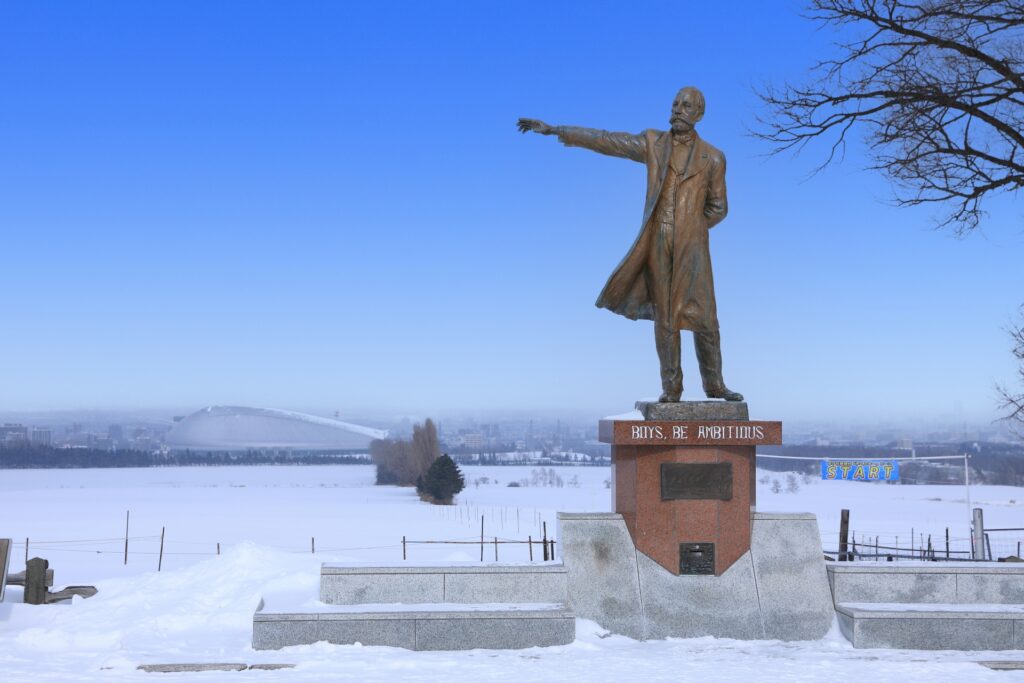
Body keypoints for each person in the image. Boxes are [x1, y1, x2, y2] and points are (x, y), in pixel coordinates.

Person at [518, 86, 743, 402]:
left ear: (699, 114)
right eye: (675, 103)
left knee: (705, 318)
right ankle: (672, 388)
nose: (678, 109)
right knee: (666, 319)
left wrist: (691, 227)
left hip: (693, 249)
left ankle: (715, 384)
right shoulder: (654, 143)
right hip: (657, 243)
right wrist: (558, 130)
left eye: (686, 105)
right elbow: (609, 141)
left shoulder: (714, 158)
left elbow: (719, 207)